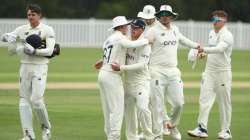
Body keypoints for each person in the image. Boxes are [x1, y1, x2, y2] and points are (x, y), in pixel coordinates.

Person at [1, 4, 56, 140]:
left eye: (33, 14)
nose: (30, 17)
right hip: (24, 67)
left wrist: (35, 51)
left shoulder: (47, 30)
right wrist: (7, 38)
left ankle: (46, 127)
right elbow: (10, 49)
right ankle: (28, 134)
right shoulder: (21, 29)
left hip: (40, 67)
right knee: (24, 101)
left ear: (39, 15)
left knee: (36, 100)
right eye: (29, 14)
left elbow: (50, 50)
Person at [145, 5, 200, 140]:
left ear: (171, 16)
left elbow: (184, 40)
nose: (164, 16)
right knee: (157, 105)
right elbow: (143, 45)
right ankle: (158, 135)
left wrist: (197, 46)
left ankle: (173, 125)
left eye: (167, 14)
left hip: (173, 71)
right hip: (156, 70)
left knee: (179, 103)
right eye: (162, 14)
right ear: (158, 15)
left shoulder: (175, 29)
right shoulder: (153, 30)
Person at [97, 16, 149, 140]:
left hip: (103, 74)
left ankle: (110, 135)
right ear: (121, 27)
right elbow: (132, 44)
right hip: (112, 76)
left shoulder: (108, 39)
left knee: (108, 109)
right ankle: (114, 137)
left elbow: (110, 56)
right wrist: (147, 40)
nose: (128, 28)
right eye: (126, 26)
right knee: (117, 110)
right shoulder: (120, 38)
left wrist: (103, 62)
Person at [187, 10, 233, 139]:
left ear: (224, 21)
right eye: (213, 20)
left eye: (217, 20)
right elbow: (213, 50)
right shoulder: (211, 33)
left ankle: (225, 131)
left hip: (223, 72)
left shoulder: (228, 35)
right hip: (209, 71)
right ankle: (202, 128)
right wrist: (203, 54)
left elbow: (220, 49)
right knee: (204, 100)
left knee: (224, 102)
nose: (214, 23)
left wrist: (203, 49)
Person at [111, 19, 155, 140]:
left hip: (142, 82)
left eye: (135, 28)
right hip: (128, 82)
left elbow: (141, 65)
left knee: (142, 108)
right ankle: (132, 137)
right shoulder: (127, 40)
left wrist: (121, 67)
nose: (132, 30)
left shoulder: (146, 45)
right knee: (129, 113)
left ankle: (149, 136)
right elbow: (115, 54)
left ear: (142, 29)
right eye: (132, 28)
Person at [138, 4, 171, 136]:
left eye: (149, 18)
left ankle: (165, 124)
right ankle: (148, 129)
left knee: (156, 99)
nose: (147, 20)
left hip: (156, 67)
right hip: (145, 66)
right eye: (145, 18)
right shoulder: (144, 26)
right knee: (148, 100)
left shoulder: (159, 27)